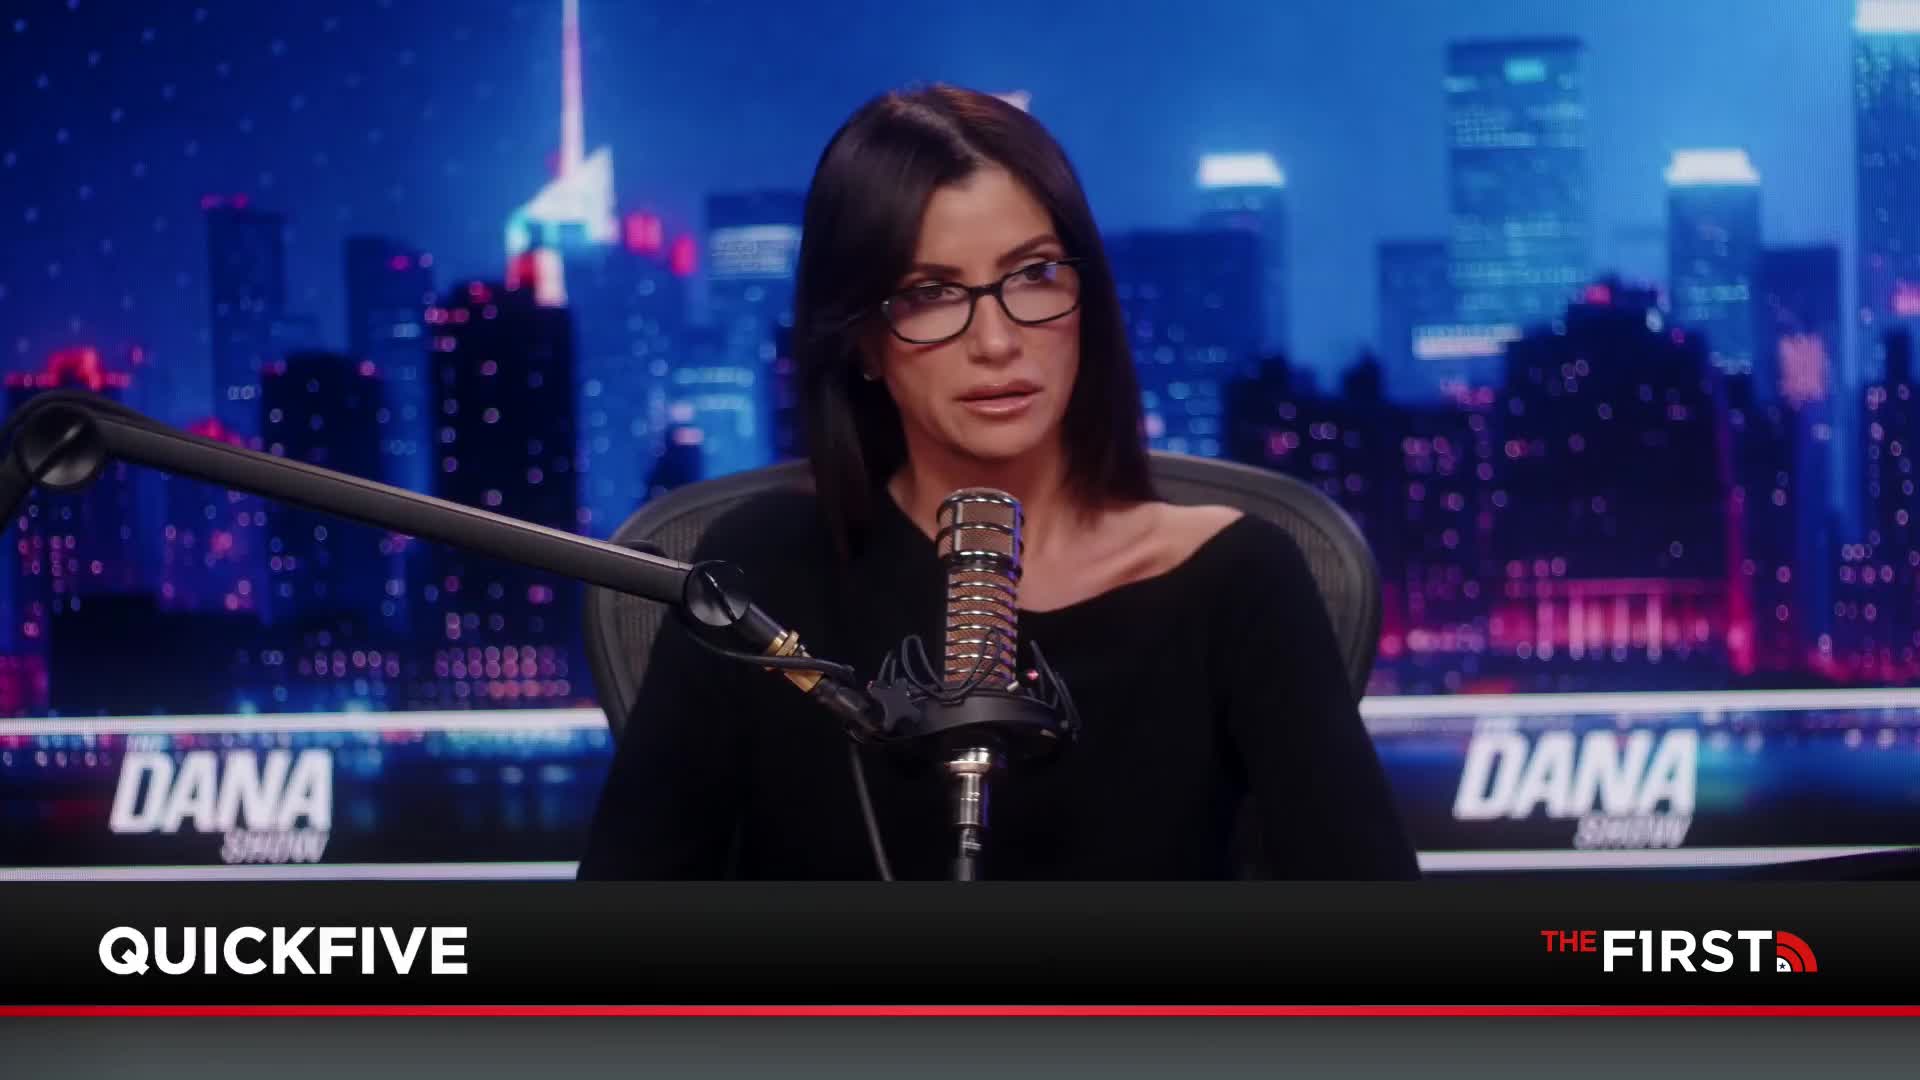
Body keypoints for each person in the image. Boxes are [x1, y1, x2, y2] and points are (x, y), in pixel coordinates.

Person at [578, 85, 1418, 881]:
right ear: (863, 339)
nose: (996, 341)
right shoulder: (761, 574)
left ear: (1087, 297)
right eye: (932, 292)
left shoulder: (1238, 578)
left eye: (1033, 275)